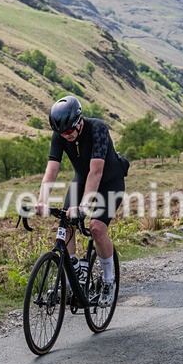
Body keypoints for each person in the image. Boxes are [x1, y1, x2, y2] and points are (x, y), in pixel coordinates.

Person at [36, 95, 125, 307]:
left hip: (109, 182)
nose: (65, 135)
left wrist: (84, 206)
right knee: (65, 226)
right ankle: (70, 280)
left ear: (79, 121)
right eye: (61, 132)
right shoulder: (59, 135)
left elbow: (96, 171)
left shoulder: (98, 129)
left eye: (69, 131)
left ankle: (108, 281)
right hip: (81, 180)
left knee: (96, 228)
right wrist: (41, 201)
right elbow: (52, 170)